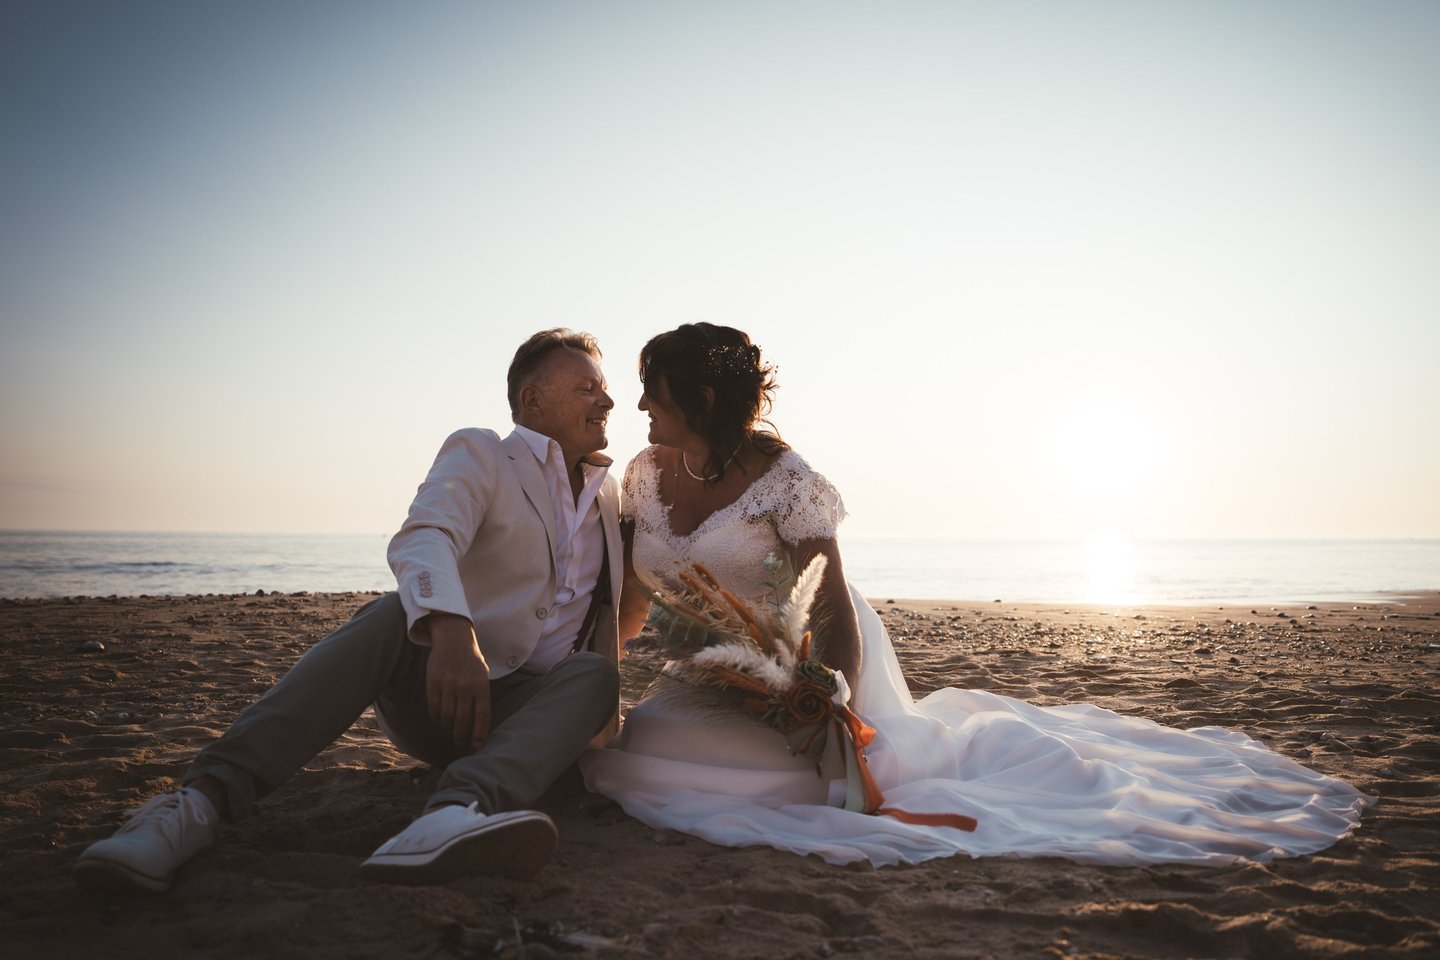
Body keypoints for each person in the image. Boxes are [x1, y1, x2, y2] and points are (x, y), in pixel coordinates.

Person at [580, 323, 1371, 867]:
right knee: (644, 750)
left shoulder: (788, 484)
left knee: (770, 783)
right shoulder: (644, 478)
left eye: (653, 391)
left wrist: (830, 691)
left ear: (704, 401)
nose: (640, 406)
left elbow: (831, 601)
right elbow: (631, 603)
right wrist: (602, 687)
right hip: (713, 668)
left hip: (807, 659)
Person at [75, 329, 624, 893]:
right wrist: (453, 634)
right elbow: (425, 534)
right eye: (587, 388)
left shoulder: (611, 495)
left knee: (595, 676)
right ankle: (197, 804)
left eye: (604, 389)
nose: (607, 401)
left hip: (531, 721)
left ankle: (450, 818)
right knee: (390, 615)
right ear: (533, 401)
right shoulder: (484, 452)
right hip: (444, 691)